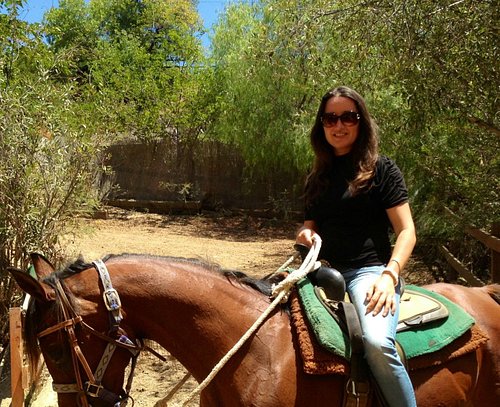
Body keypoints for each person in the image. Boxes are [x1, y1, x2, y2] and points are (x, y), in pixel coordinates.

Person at [296, 86, 417, 407]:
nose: (339, 125)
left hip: (370, 272)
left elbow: (406, 231)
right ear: (321, 126)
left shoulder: (382, 170)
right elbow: (310, 230)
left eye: (348, 117)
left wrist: (389, 276)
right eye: (330, 118)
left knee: (377, 343)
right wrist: (305, 237)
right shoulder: (316, 178)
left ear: (361, 121)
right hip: (322, 273)